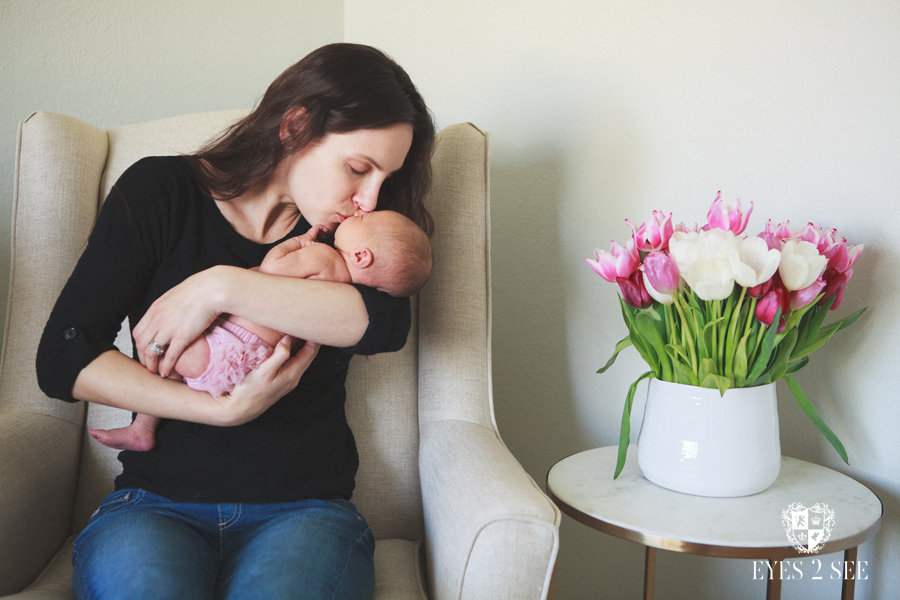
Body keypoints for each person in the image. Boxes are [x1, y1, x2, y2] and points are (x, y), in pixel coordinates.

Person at [35, 43, 435, 600]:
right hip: (154, 507)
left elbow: (381, 327)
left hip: (305, 512)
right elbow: (63, 357)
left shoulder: (356, 242)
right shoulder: (160, 192)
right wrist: (218, 410)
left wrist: (220, 285)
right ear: (295, 126)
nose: (369, 199)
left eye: (383, 179)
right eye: (358, 169)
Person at [90, 209, 432, 452]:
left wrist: (299, 242)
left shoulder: (324, 259)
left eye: (364, 220)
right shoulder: (346, 291)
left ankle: (142, 427)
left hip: (229, 343)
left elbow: (272, 267)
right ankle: (143, 430)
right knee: (175, 366)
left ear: (361, 256)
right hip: (249, 362)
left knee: (167, 357)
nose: (359, 211)